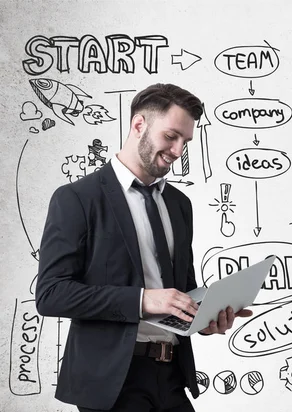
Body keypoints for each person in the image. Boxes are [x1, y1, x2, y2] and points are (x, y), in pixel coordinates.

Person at [36, 83, 250, 411]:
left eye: (185, 141)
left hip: (173, 375)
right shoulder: (77, 199)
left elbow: (182, 290)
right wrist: (142, 300)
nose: (179, 151)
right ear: (139, 125)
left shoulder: (180, 204)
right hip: (113, 382)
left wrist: (206, 317)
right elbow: (51, 294)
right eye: (171, 136)